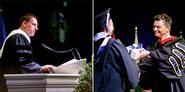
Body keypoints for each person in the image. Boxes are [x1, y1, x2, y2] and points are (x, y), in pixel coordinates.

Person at [0, 14, 56, 92]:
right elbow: (24, 63)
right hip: (10, 85)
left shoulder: (17, 37)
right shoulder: (18, 37)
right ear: (24, 24)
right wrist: (41, 68)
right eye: (34, 25)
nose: (36, 28)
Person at [94, 8, 140, 92]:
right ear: (109, 24)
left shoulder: (93, 45)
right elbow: (133, 80)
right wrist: (134, 59)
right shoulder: (114, 44)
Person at [137, 13, 185, 92]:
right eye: (154, 26)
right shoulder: (152, 47)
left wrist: (150, 54)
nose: (155, 29)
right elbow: (144, 68)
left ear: (168, 28)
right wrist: (145, 85)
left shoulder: (179, 43)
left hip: (174, 87)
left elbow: (169, 58)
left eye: (158, 27)